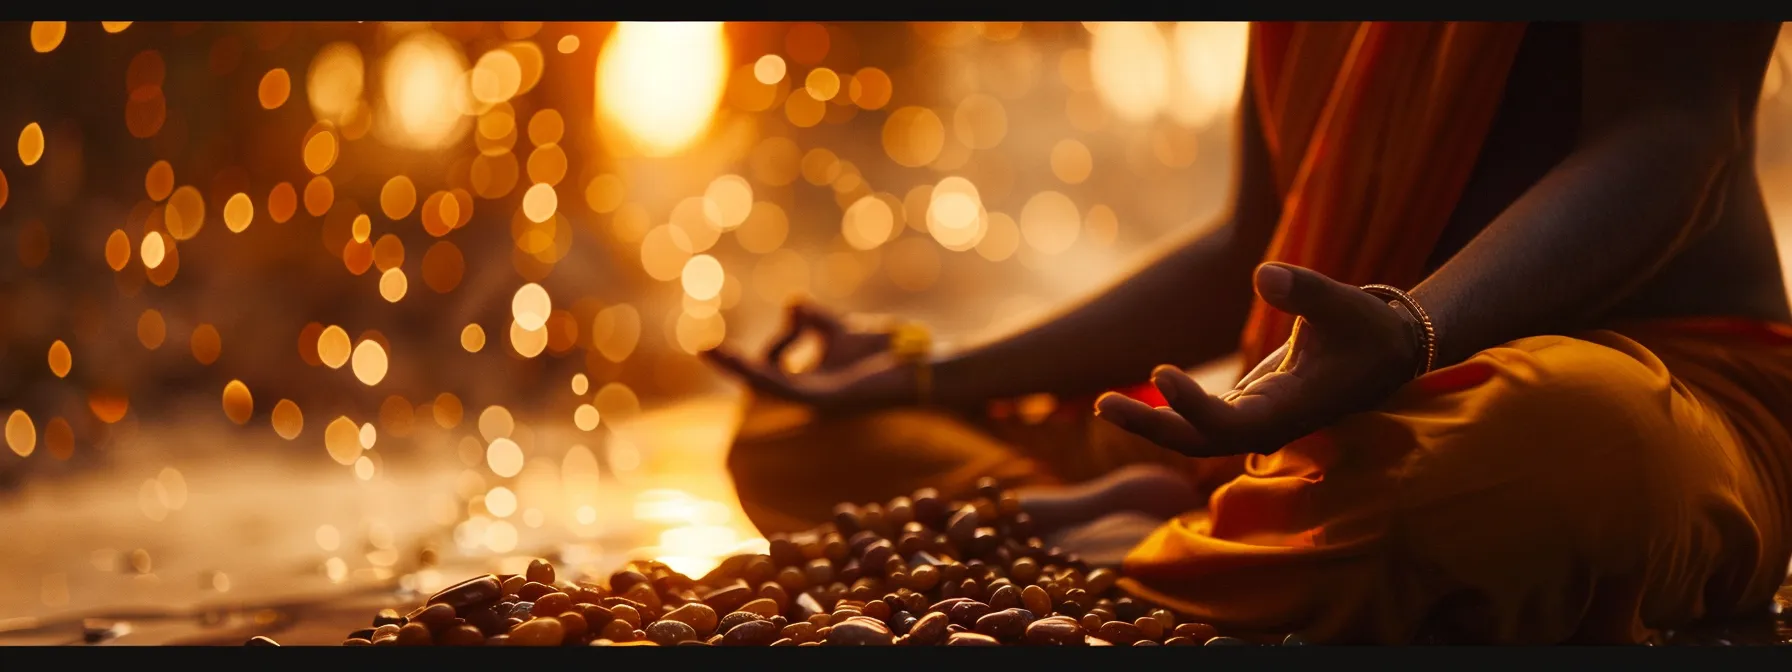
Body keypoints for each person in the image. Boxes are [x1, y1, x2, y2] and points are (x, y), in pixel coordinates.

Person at [704, 21, 1792, 644]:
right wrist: (924, 375)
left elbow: (1671, 138)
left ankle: (1169, 531)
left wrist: (1417, 332)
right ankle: (1195, 523)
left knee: (1546, 451)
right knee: (795, 439)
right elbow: (1250, 255)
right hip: (1321, 412)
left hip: (1646, 382)